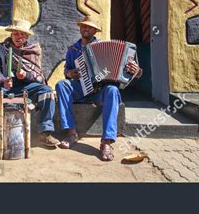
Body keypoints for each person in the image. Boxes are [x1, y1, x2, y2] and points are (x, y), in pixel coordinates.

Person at [55, 16, 142, 161]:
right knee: (61, 85)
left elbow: (133, 72)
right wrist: (69, 73)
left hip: (99, 91)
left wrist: (136, 70)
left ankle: (106, 142)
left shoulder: (106, 46)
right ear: (80, 28)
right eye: (83, 26)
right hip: (81, 89)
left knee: (113, 90)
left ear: (95, 30)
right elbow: (66, 71)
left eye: (89, 27)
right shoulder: (73, 49)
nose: (86, 29)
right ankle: (71, 133)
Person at [0, 18, 60, 153]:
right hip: (3, 87)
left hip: (26, 87)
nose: (19, 37)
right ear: (11, 34)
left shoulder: (33, 50)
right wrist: (4, 80)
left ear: (26, 36)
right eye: (16, 33)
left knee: (47, 91)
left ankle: (45, 133)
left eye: (22, 34)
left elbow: (38, 76)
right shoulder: (0, 49)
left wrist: (25, 76)